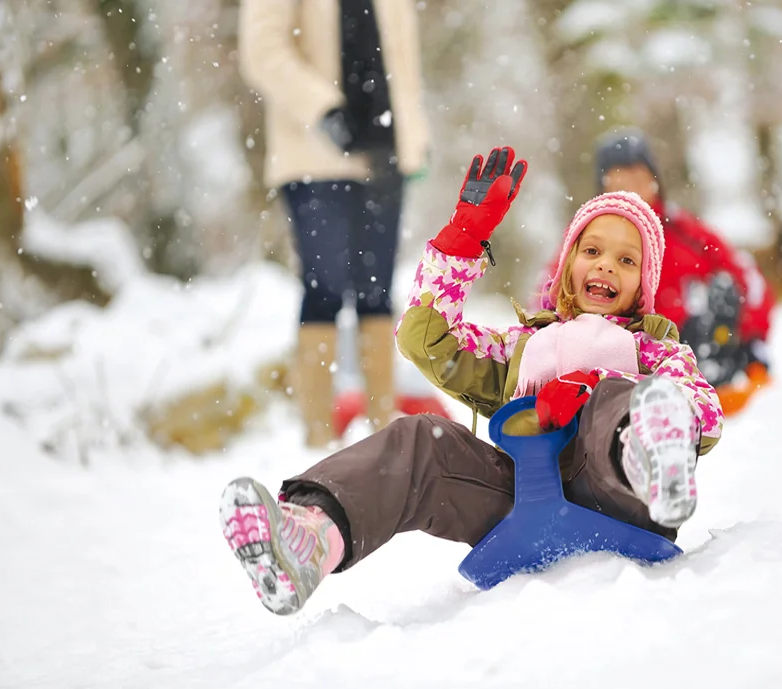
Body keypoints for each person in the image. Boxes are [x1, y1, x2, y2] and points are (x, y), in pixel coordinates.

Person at [218, 147, 724, 616]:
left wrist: (597, 384)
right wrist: (463, 239)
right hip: (523, 499)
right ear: (568, 264)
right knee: (420, 439)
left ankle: (647, 456)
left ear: (642, 285)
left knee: (623, 399)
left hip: (623, 499)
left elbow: (704, 409)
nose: (606, 265)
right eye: (592, 250)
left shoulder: (653, 349)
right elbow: (427, 337)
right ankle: (311, 542)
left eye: (626, 260)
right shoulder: (523, 349)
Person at [237, 0, 429, 447]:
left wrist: (415, 135)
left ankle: (384, 436)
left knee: (377, 292)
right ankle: (317, 439)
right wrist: (323, 110)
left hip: (386, 151)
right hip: (314, 155)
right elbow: (263, 49)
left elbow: (400, 55)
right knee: (324, 288)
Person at [536, 128, 776, 416]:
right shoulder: (587, 238)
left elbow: (746, 279)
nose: (631, 188)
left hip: (685, 351)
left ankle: (708, 383)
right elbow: (548, 293)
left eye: (638, 177)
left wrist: (753, 338)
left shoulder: (684, 232)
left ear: (654, 181)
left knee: (723, 292)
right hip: (616, 357)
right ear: (605, 186)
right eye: (619, 179)